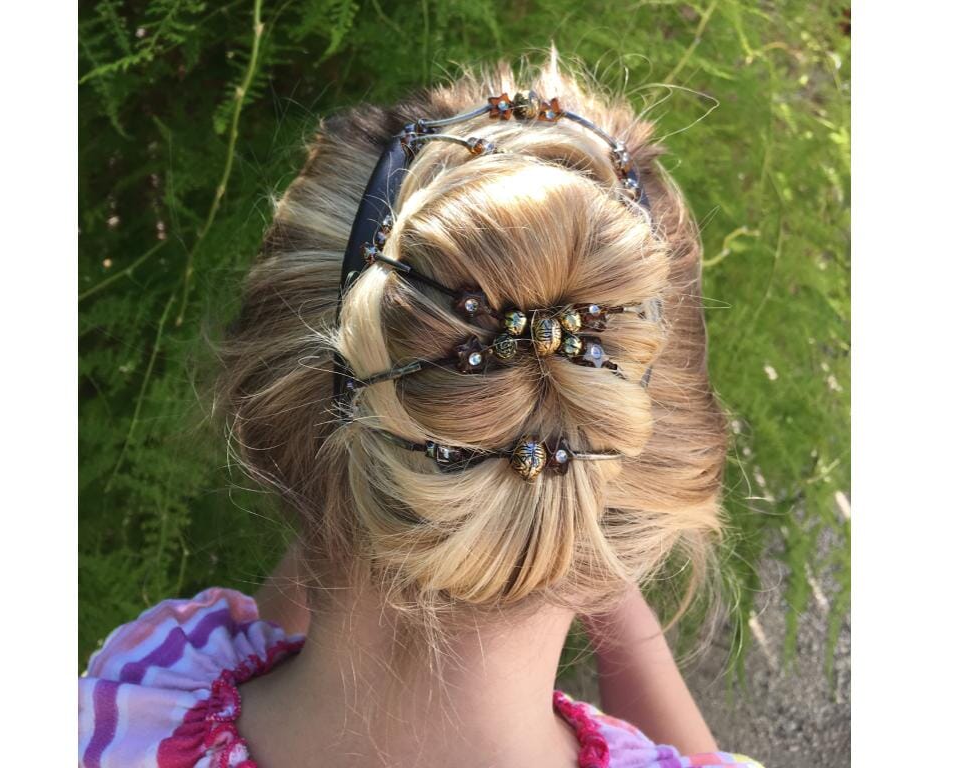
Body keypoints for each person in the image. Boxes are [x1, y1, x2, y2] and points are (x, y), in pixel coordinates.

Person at [78, 51, 763, 768]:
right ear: (647, 494)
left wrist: (387, 459)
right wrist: (575, 502)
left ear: (274, 430)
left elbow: (253, 633)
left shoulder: (132, 700)